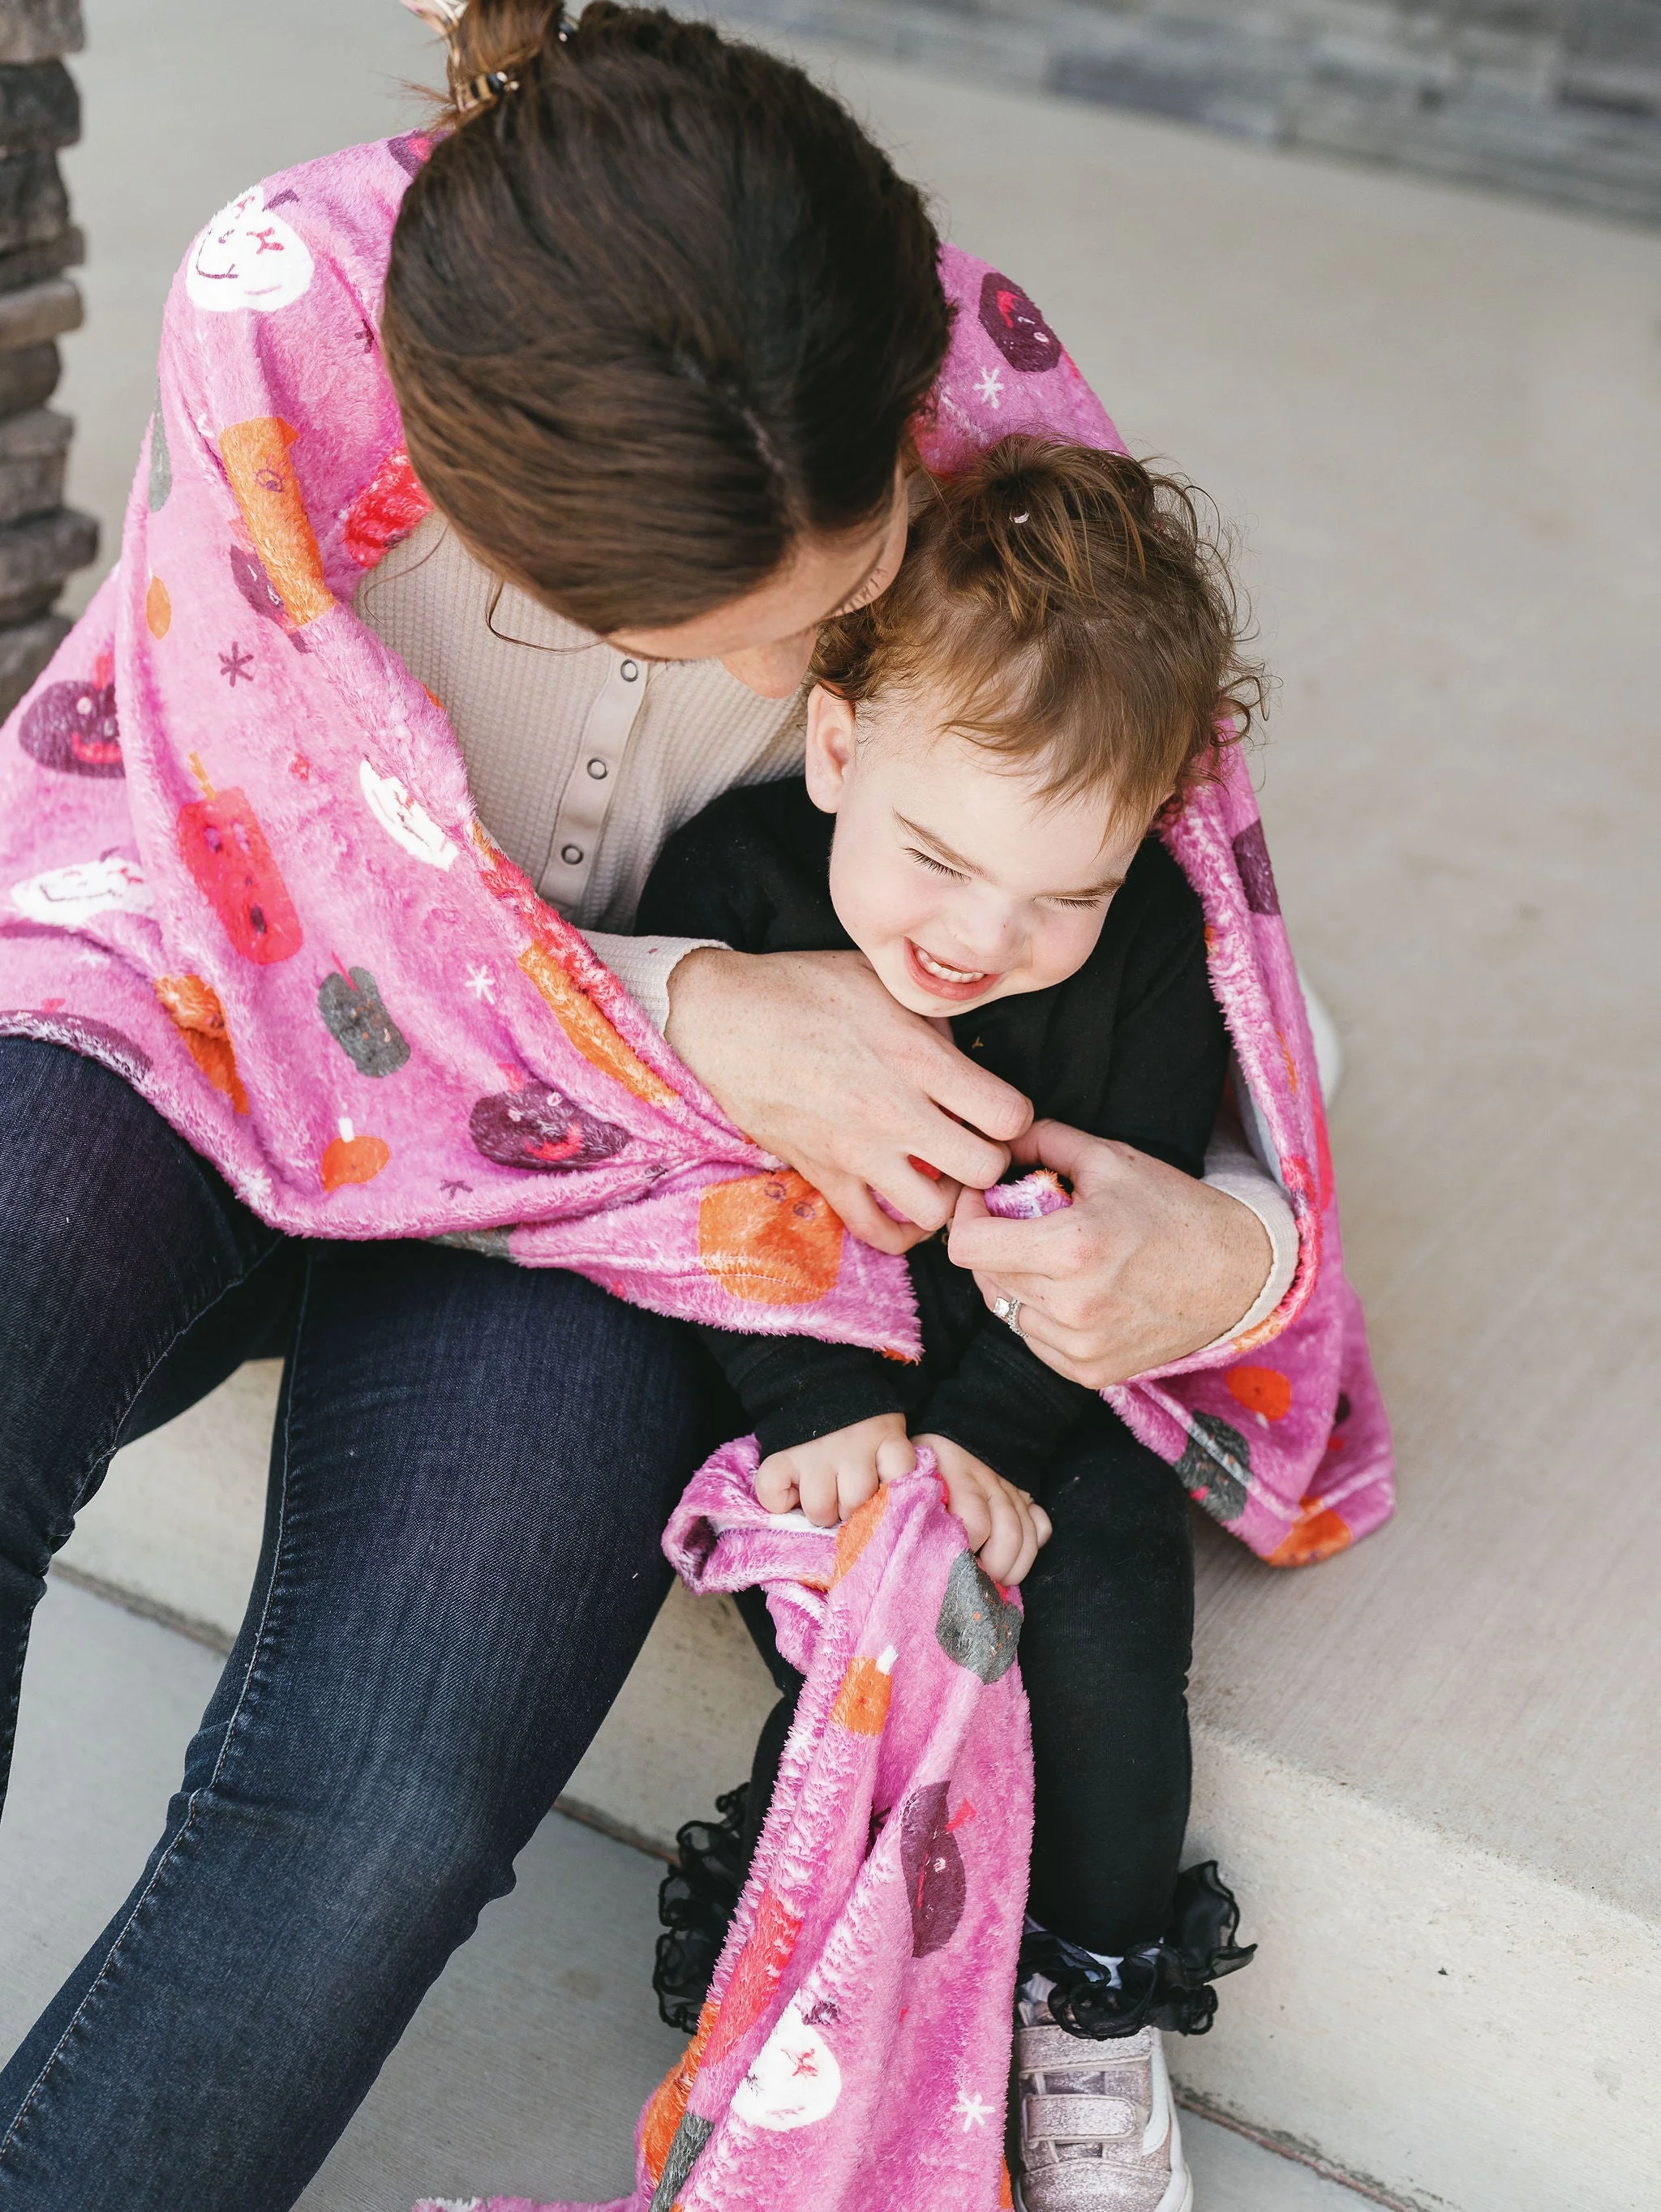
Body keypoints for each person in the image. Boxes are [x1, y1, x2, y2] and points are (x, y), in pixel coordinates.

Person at [0, 8, 1289, 2205]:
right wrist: (682, 999)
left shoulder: (964, 421)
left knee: (393, 1787)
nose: (795, 685)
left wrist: (1228, 1232)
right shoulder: (292, 346)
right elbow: (263, 888)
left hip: (639, 1200)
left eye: (838, 613)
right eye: (699, 636)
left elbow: (1174, 913)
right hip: (201, 1004)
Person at [641, 436, 1260, 2210]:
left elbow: (1112, 1235)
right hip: (793, 1345)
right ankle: (809, 1965)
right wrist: (815, 1396)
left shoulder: (1143, 954)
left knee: (1113, 1611)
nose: (984, 935)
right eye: (935, 856)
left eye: (1059, 889)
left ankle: (1094, 1992)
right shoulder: (738, 891)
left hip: (1034, 1372)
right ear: (838, 747)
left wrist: (990, 1435)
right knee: (868, 1639)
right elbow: (692, 1171)